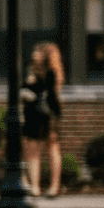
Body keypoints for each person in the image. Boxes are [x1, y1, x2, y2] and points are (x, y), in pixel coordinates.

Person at [22, 41, 64, 199]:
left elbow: (52, 95)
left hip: (48, 114)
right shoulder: (30, 70)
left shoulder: (52, 72)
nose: (34, 54)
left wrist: (35, 81)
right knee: (32, 149)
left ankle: (54, 186)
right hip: (32, 113)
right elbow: (24, 89)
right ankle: (35, 187)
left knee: (52, 147)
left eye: (38, 52)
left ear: (46, 55)